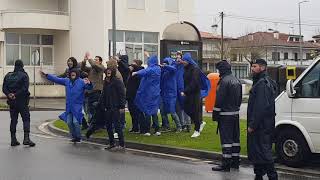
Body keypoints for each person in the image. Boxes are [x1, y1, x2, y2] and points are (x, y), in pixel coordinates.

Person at [41, 69, 93, 143]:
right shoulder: (67, 81)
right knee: (69, 122)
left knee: (75, 122)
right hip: (69, 106)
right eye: (71, 74)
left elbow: (90, 87)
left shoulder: (81, 81)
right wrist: (47, 75)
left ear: (77, 74)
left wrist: (89, 83)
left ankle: (78, 137)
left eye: (74, 74)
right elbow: (57, 79)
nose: (73, 75)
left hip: (77, 106)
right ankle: (74, 136)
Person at [247, 59, 278, 180]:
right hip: (263, 124)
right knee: (257, 150)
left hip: (261, 126)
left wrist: (252, 125)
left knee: (264, 151)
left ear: (263, 68)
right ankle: (258, 174)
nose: (252, 68)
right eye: (252, 66)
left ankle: (272, 176)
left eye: (255, 66)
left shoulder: (262, 84)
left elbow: (260, 107)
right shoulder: (261, 81)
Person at [211, 60, 242, 172]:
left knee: (226, 141)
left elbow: (219, 100)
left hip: (225, 115)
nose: (218, 72)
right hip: (235, 114)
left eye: (219, 69)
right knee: (235, 139)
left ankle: (226, 164)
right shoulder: (236, 80)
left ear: (222, 70)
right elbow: (239, 99)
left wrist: (215, 114)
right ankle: (235, 161)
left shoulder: (223, 81)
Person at [2, 60, 35, 147]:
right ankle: (26, 139)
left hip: (12, 102)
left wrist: (9, 94)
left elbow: (4, 88)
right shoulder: (24, 75)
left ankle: (13, 140)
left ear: (15, 66)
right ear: (22, 66)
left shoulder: (8, 75)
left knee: (13, 120)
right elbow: (25, 89)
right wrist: (15, 94)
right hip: (22, 101)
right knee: (26, 118)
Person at [179, 53, 208, 138]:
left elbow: (194, 83)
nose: (183, 62)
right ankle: (200, 122)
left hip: (194, 93)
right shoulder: (186, 68)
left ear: (188, 61)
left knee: (195, 112)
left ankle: (197, 130)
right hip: (188, 93)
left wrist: (185, 91)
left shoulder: (195, 69)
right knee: (187, 109)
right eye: (183, 60)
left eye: (184, 60)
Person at [133, 54, 161, 136]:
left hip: (149, 93)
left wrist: (136, 72)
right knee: (154, 112)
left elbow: (146, 71)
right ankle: (157, 130)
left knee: (148, 111)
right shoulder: (157, 68)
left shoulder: (152, 69)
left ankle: (147, 130)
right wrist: (148, 56)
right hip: (155, 93)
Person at [59, 57, 89, 130]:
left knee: (78, 110)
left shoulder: (78, 70)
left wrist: (83, 81)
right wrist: (52, 77)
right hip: (71, 94)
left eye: (71, 61)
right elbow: (61, 77)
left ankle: (83, 124)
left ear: (74, 62)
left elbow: (85, 74)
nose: (69, 62)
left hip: (79, 94)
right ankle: (84, 124)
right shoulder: (67, 70)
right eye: (68, 61)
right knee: (73, 111)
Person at [100, 67, 126, 150]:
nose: (108, 72)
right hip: (108, 107)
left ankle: (122, 144)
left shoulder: (117, 81)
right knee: (108, 126)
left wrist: (122, 106)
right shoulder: (105, 82)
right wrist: (102, 105)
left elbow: (122, 94)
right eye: (107, 71)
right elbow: (103, 94)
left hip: (116, 107)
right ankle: (112, 143)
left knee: (117, 125)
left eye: (110, 71)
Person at [81, 53, 105, 125]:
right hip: (89, 90)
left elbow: (94, 65)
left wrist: (89, 58)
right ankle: (91, 123)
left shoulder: (101, 67)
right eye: (94, 59)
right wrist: (84, 60)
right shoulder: (92, 68)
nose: (95, 61)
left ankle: (95, 123)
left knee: (94, 108)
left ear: (100, 62)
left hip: (96, 90)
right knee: (89, 108)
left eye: (96, 60)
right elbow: (83, 68)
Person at [160, 57, 182, 132]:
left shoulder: (172, 70)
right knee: (163, 112)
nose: (164, 64)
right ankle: (167, 126)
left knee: (172, 111)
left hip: (171, 94)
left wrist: (165, 66)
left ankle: (179, 127)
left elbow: (173, 69)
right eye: (164, 62)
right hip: (163, 94)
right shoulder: (163, 71)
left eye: (166, 63)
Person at [127, 60, 145, 133]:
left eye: (133, 64)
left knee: (137, 112)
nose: (131, 65)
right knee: (132, 112)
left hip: (136, 95)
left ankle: (141, 127)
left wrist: (134, 67)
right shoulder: (131, 73)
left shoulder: (139, 72)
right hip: (130, 95)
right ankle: (135, 127)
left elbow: (140, 69)